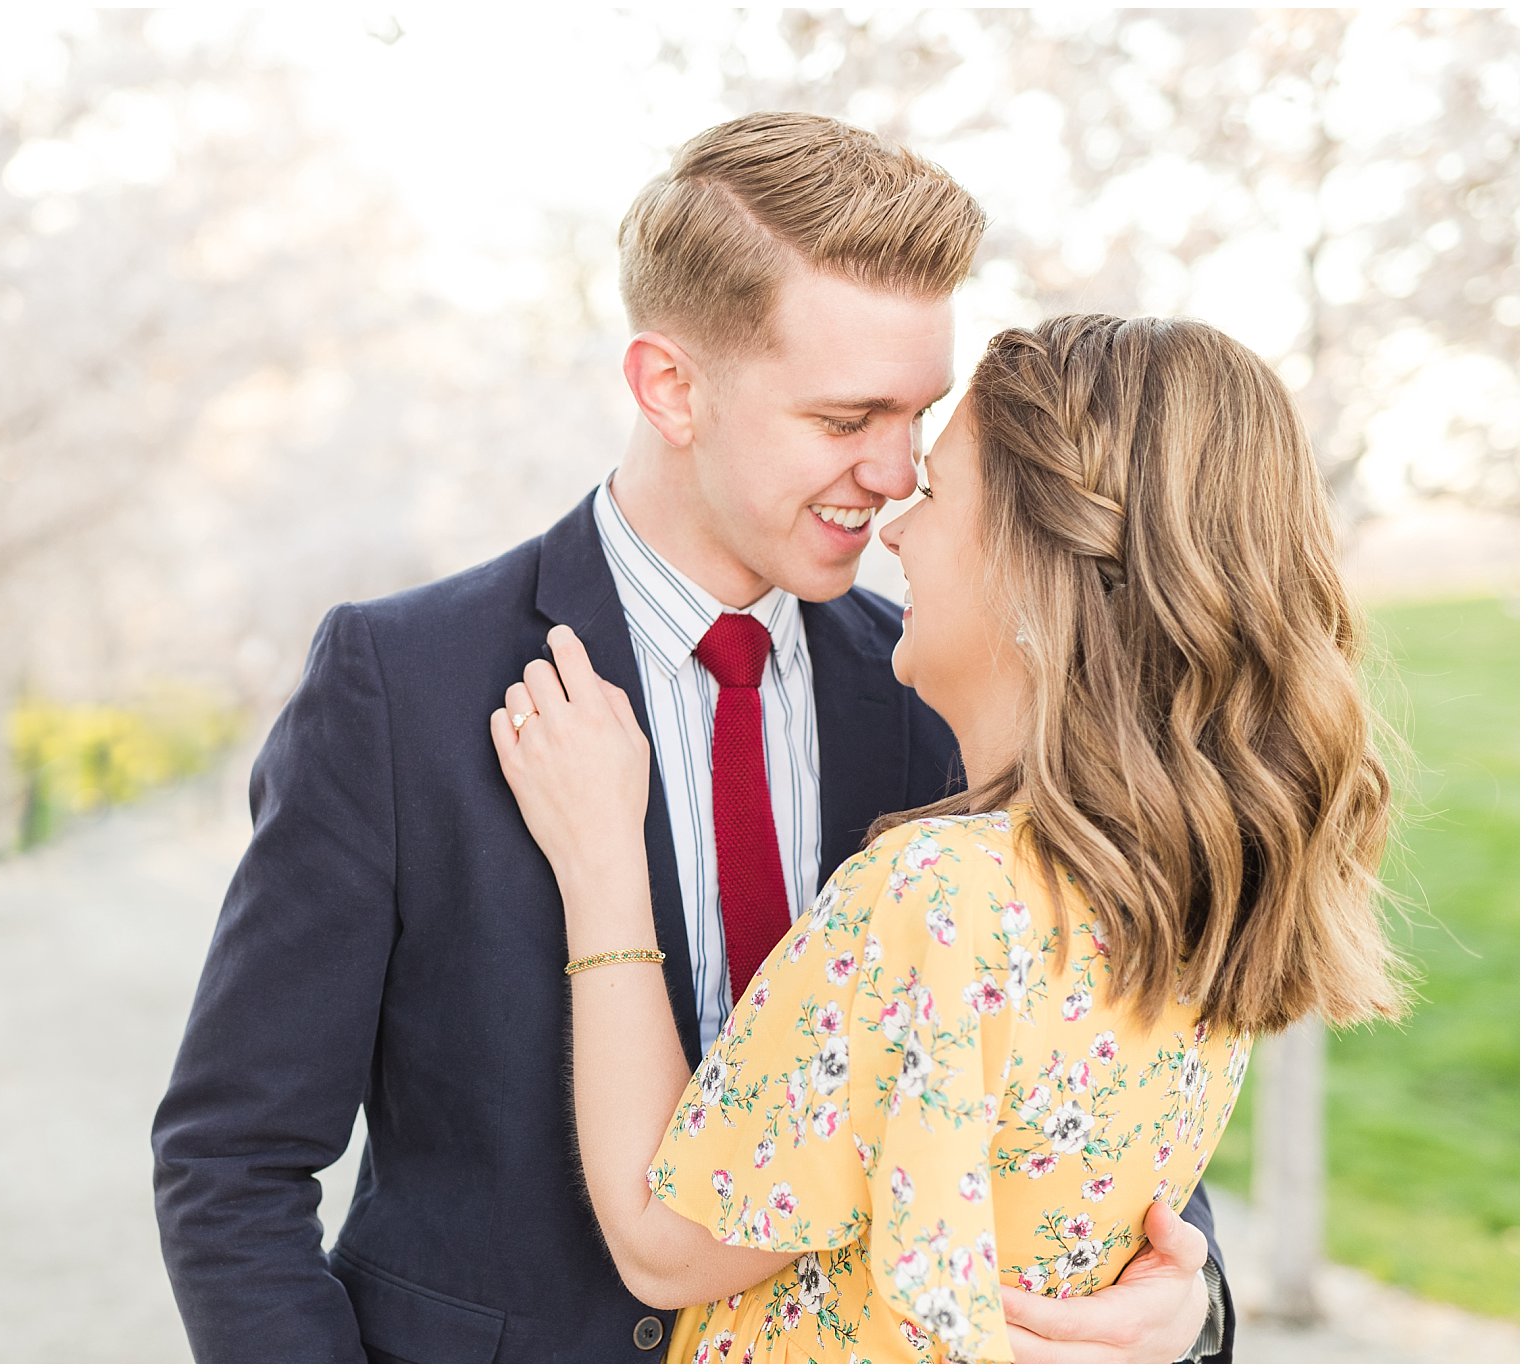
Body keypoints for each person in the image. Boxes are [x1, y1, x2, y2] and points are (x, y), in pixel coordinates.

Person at [151, 113, 1231, 1362]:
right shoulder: (401, 682)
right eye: (845, 418)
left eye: (919, 416)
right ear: (670, 387)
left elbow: (1066, 1084)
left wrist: (1187, 1305)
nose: (895, 477)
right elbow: (230, 1162)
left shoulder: (948, 689)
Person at [491, 313, 1407, 1361]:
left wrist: (602, 858)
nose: (894, 526)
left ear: (1036, 561)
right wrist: (1185, 1312)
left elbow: (662, 1247)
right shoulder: (1201, 878)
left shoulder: (941, 892)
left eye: (934, 490)